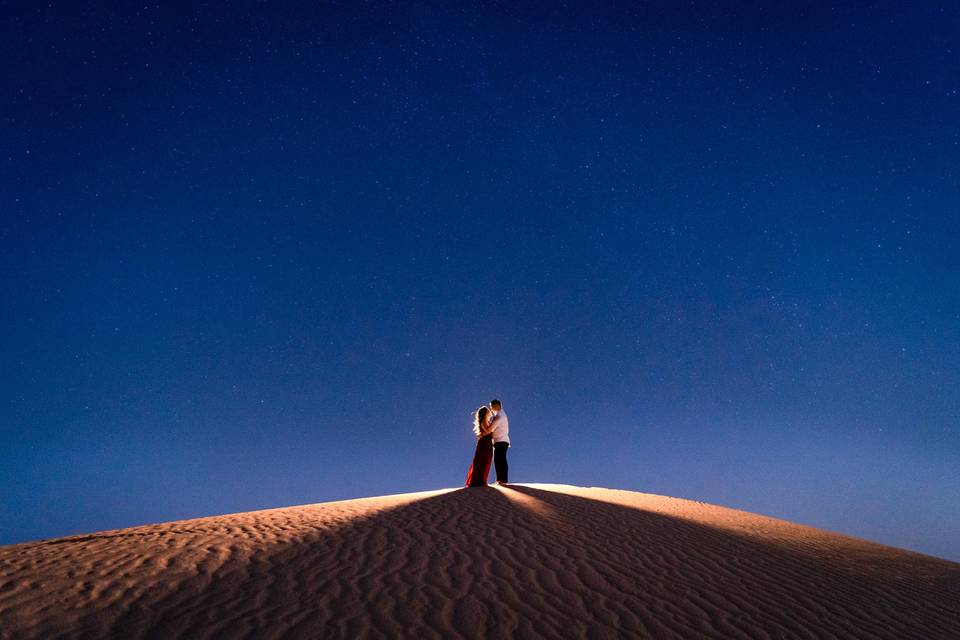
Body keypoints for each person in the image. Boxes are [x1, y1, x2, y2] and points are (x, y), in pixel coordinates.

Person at [465, 405, 493, 487]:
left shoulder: (486, 421)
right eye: (488, 412)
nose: (490, 413)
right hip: (485, 443)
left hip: (486, 443)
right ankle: (479, 482)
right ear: (486, 413)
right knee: (482, 462)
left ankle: (481, 481)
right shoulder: (484, 421)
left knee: (484, 461)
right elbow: (486, 432)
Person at [489, 398, 510, 484]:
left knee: (499, 460)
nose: (491, 409)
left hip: (500, 441)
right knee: (500, 460)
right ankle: (501, 479)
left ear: (496, 406)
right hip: (502, 440)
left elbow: (491, 429)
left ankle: (502, 480)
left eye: (491, 407)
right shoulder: (501, 414)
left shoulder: (499, 416)